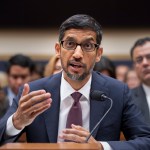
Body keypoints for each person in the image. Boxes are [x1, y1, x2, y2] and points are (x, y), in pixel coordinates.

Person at [0, 14, 150, 150]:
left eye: (88, 46)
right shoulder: (34, 91)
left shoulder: (117, 92)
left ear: (98, 54)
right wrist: (16, 122)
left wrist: (101, 147)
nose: (77, 54)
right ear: (58, 50)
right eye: (70, 44)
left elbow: (146, 140)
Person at [130, 37, 150, 123]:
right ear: (134, 67)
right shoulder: (128, 99)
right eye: (139, 60)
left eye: (149, 57)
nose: (145, 63)